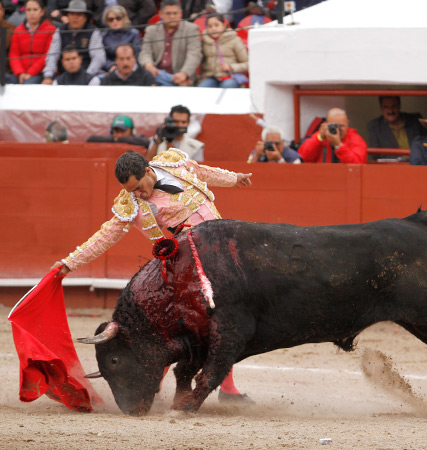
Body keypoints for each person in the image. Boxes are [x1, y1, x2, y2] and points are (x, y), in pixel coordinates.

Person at [51, 149, 253, 403]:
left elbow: (201, 171)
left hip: (221, 249)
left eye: (138, 187)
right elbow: (104, 236)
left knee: (223, 316)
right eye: (131, 191)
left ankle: (218, 387)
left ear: (148, 171)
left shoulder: (172, 164)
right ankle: (167, 382)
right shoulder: (132, 206)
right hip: (191, 262)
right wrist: (70, 263)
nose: (137, 194)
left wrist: (234, 178)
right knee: (210, 317)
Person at [138, 0, 201, 87]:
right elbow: (145, 52)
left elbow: (194, 54)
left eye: (175, 13)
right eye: (168, 13)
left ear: (181, 13)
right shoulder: (151, 30)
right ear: (161, 14)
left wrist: (184, 73)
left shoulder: (191, 29)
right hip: (156, 74)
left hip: (181, 76)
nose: (172, 16)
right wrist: (148, 64)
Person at [41, 0, 105, 83]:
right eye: (72, 14)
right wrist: (48, 75)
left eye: (79, 14)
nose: (75, 17)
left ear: (85, 17)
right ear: (67, 16)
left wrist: (86, 76)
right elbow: (52, 55)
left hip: (88, 74)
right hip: (64, 76)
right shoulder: (60, 31)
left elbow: (98, 58)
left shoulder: (93, 31)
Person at [8, 0, 55, 84]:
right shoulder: (18, 30)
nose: (31, 13)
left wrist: (30, 73)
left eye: (35, 9)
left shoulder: (51, 29)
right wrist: (20, 72)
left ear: (42, 12)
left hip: (40, 73)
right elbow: (14, 54)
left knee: (28, 84)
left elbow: (47, 56)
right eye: (28, 10)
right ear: (25, 11)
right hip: (19, 74)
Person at [367, 96, 426, 161]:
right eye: (386, 107)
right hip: (391, 168)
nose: (390, 111)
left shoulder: (414, 120)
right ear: (381, 108)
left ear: (399, 106)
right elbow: (375, 155)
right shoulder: (375, 126)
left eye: (394, 106)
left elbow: (426, 145)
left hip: (416, 165)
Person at [298, 108, 367, 164]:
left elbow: (358, 165)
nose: (338, 129)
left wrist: (338, 145)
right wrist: (319, 138)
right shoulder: (320, 136)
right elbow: (303, 158)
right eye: (335, 125)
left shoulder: (355, 139)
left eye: (341, 126)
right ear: (326, 124)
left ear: (347, 123)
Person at [197, 14, 248, 88]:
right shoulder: (204, 41)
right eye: (210, 26)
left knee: (227, 86)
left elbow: (247, 64)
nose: (213, 29)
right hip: (210, 77)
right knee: (202, 88)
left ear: (224, 25)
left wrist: (231, 67)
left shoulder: (234, 40)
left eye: (216, 25)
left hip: (230, 77)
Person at [100, 5, 141, 73]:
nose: (115, 21)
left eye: (118, 18)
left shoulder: (134, 33)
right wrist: (111, 66)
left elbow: (136, 55)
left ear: (124, 18)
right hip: (110, 70)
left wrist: (123, 66)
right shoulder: (103, 36)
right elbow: (103, 57)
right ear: (106, 22)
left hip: (130, 68)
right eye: (111, 19)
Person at [85, 0, 156, 30]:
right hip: (100, 29)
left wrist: (134, 24)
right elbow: (85, 7)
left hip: (127, 29)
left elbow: (149, 7)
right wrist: (94, 25)